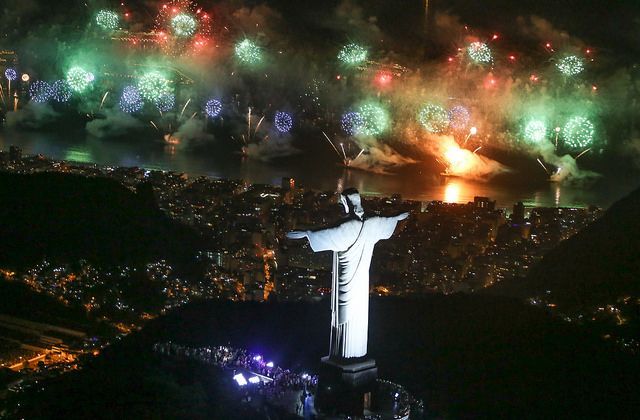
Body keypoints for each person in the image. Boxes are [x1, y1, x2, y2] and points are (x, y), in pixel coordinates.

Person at [287, 188, 409, 359]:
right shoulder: (372, 222)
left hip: (346, 279)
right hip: (361, 281)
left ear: (346, 203)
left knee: (343, 316)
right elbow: (387, 221)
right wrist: (397, 217)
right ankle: (354, 354)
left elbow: (327, 233)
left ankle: (343, 356)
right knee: (358, 315)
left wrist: (307, 234)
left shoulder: (347, 226)